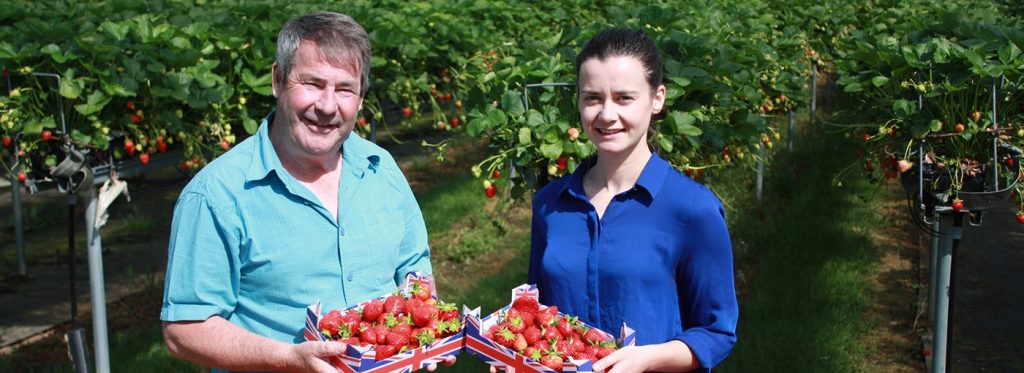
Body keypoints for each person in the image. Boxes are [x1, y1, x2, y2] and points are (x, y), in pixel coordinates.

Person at [160, 12, 450, 372]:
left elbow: (414, 272)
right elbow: (185, 330)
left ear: (360, 98)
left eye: (345, 89)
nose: (327, 106)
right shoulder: (217, 195)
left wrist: (426, 329)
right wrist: (289, 357)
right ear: (278, 80)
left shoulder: (381, 167)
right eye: (312, 84)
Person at [528, 28, 739, 372]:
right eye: (592, 97)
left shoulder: (691, 209)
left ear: (657, 99)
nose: (607, 114)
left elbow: (717, 332)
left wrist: (649, 357)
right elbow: (536, 314)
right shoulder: (551, 204)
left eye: (624, 98)